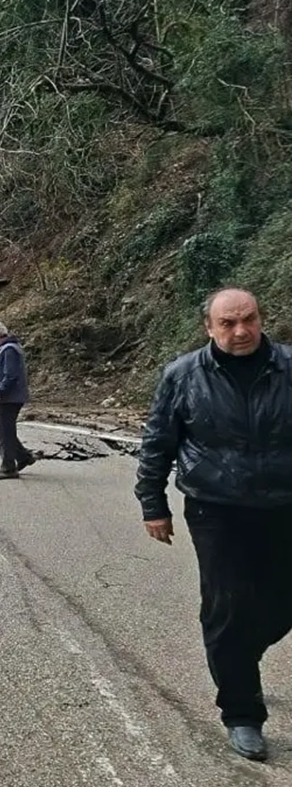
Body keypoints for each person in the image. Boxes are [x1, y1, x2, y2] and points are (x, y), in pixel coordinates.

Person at [136, 287, 292, 762]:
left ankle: (240, 654)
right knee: (227, 606)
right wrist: (152, 504)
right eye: (227, 323)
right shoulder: (183, 376)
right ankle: (242, 713)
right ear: (209, 327)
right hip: (216, 509)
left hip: (285, 505)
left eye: (248, 320)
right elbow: (158, 441)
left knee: (279, 603)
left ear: (262, 319)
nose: (240, 331)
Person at [0, 321, 35, 480]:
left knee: (3, 431)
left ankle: (8, 468)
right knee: (0, 429)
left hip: (9, 398)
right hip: (8, 398)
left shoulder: (9, 350)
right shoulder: (4, 349)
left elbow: (10, 375)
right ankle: (23, 457)